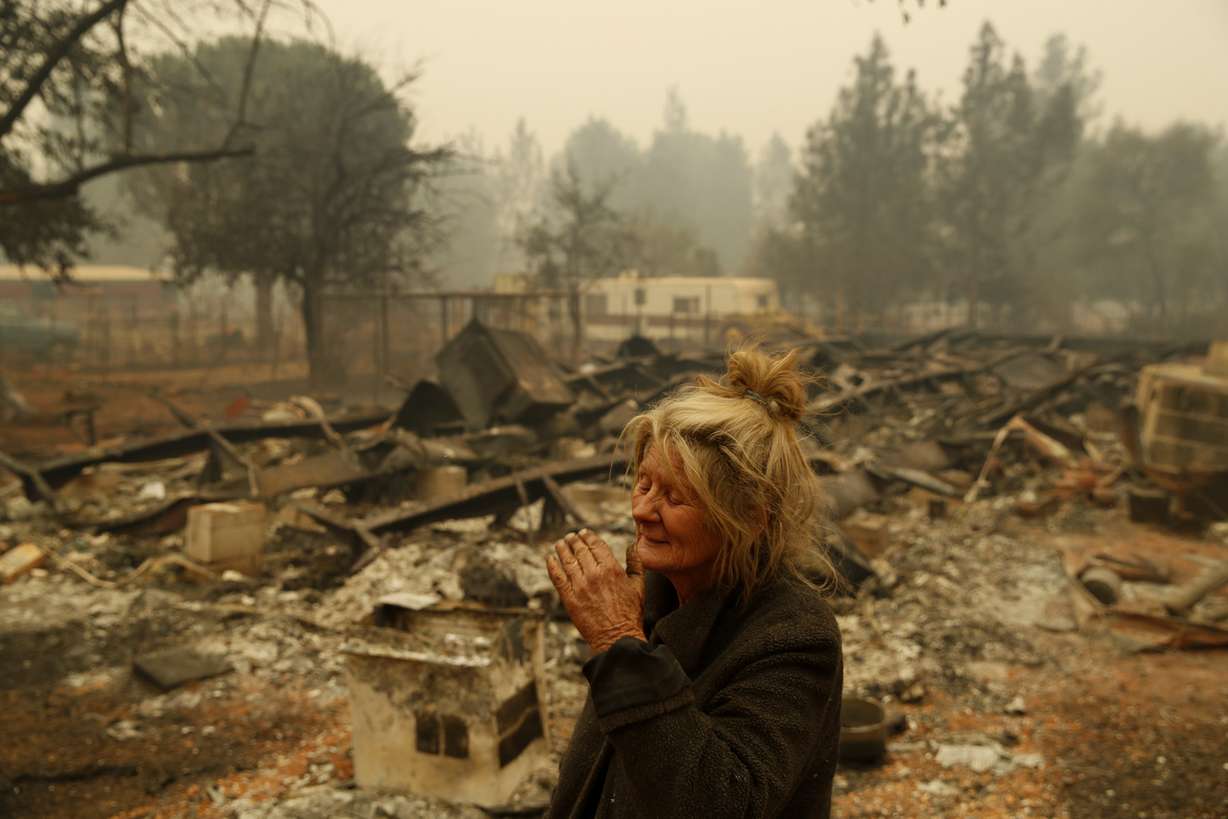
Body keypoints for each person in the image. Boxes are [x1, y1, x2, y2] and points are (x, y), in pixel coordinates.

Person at [545, 346, 843, 819]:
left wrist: (619, 643)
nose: (641, 510)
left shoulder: (794, 638)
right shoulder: (653, 594)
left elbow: (721, 804)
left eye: (675, 497)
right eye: (644, 484)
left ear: (749, 517)